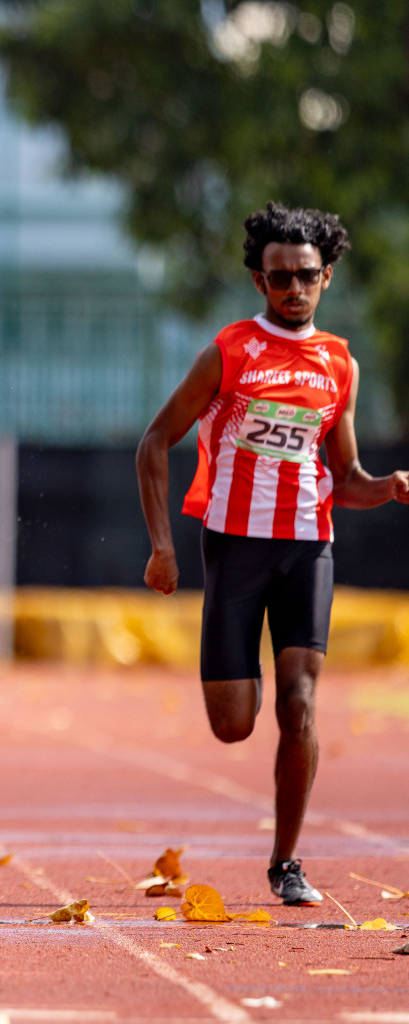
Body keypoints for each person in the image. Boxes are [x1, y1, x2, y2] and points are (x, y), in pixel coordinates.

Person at [137, 202, 409, 906]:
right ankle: (241, 677)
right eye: (280, 277)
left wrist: (387, 488)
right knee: (233, 725)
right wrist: (163, 546)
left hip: (308, 548)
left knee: (302, 703)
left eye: (307, 277)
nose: (294, 290)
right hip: (234, 547)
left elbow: (345, 481)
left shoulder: (339, 364)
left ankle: (286, 862)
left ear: (327, 277)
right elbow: (153, 443)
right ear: (260, 280)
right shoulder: (228, 352)